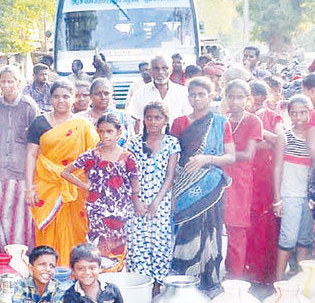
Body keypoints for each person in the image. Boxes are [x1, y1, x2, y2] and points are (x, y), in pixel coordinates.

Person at [170, 77, 235, 291]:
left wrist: (207, 159)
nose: (197, 99)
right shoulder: (179, 122)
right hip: (184, 187)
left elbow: (230, 157)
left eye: (201, 94)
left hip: (211, 186)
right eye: (193, 95)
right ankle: (184, 282)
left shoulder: (220, 122)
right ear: (188, 97)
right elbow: (171, 156)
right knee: (186, 232)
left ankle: (210, 281)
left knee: (210, 231)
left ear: (211, 95)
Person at [26, 79, 99, 267]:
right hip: (46, 185)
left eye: (66, 97)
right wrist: (29, 188)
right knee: (47, 233)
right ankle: (47, 273)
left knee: (77, 231)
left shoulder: (82, 125)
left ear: (74, 99)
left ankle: (75, 272)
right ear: (50, 99)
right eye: (57, 96)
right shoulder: (39, 123)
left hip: (76, 186)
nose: (61, 101)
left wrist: (93, 186)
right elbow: (31, 155)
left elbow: (94, 157)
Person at [61, 114, 140, 271]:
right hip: (96, 212)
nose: (105, 135)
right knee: (96, 251)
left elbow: (135, 182)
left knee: (117, 251)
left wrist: (135, 200)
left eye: (110, 131)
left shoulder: (128, 157)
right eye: (102, 131)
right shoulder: (92, 155)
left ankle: (115, 286)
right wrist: (85, 186)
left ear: (119, 132)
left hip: (119, 213)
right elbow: (65, 172)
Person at [125, 102, 180, 292]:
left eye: (158, 118)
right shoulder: (133, 143)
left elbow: (170, 176)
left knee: (160, 244)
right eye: (149, 117)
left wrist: (157, 202)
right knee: (137, 245)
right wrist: (136, 200)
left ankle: (157, 289)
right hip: (137, 200)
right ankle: (141, 289)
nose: (153, 122)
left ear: (165, 120)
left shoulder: (171, 143)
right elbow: (130, 174)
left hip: (161, 200)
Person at [0, 66, 38, 251]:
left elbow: (36, 144)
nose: (6, 85)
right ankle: (1, 257)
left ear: (19, 83)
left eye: (10, 81)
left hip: (21, 172)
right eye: (3, 81)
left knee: (20, 220)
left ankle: (22, 258)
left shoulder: (29, 106)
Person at [222, 80, 263, 279]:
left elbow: (248, 154)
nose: (235, 101)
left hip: (240, 182)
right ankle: (223, 272)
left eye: (240, 97)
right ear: (225, 98)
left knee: (237, 231)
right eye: (231, 97)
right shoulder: (222, 120)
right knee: (218, 230)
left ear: (247, 99)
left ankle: (235, 279)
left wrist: (224, 155)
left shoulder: (253, 121)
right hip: (220, 178)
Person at [245, 81, 283, 283]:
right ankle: (248, 272)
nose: (256, 102)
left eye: (260, 98)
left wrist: (261, 136)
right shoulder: (239, 117)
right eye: (251, 97)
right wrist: (264, 139)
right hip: (245, 175)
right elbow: (243, 144)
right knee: (247, 223)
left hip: (265, 175)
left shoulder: (271, 116)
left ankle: (265, 274)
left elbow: (279, 140)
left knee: (266, 221)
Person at [273, 95, 312, 281]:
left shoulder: (313, 137)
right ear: (288, 115)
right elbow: (277, 167)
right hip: (290, 195)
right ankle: (279, 281)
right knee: (287, 239)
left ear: (310, 112)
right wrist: (277, 198)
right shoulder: (285, 137)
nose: (299, 118)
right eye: (294, 114)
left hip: (309, 197)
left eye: (303, 113)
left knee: (305, 239)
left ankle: (300, 279)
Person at [128, 56, 191, 134]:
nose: (161, 72)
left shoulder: (183, 93)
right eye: (156, 68)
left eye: (165, 68)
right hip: (147, 143)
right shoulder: (140, 94)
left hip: (177, 142)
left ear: (171, 70)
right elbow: (137, 123)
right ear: (150, 71)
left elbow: (189, 120)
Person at [77, 78, 133, 145]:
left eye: (106, 93)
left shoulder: (123, 117)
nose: (103, 97)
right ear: (91, 96)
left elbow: (131, 141)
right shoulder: (80, 119)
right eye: (98, 94)